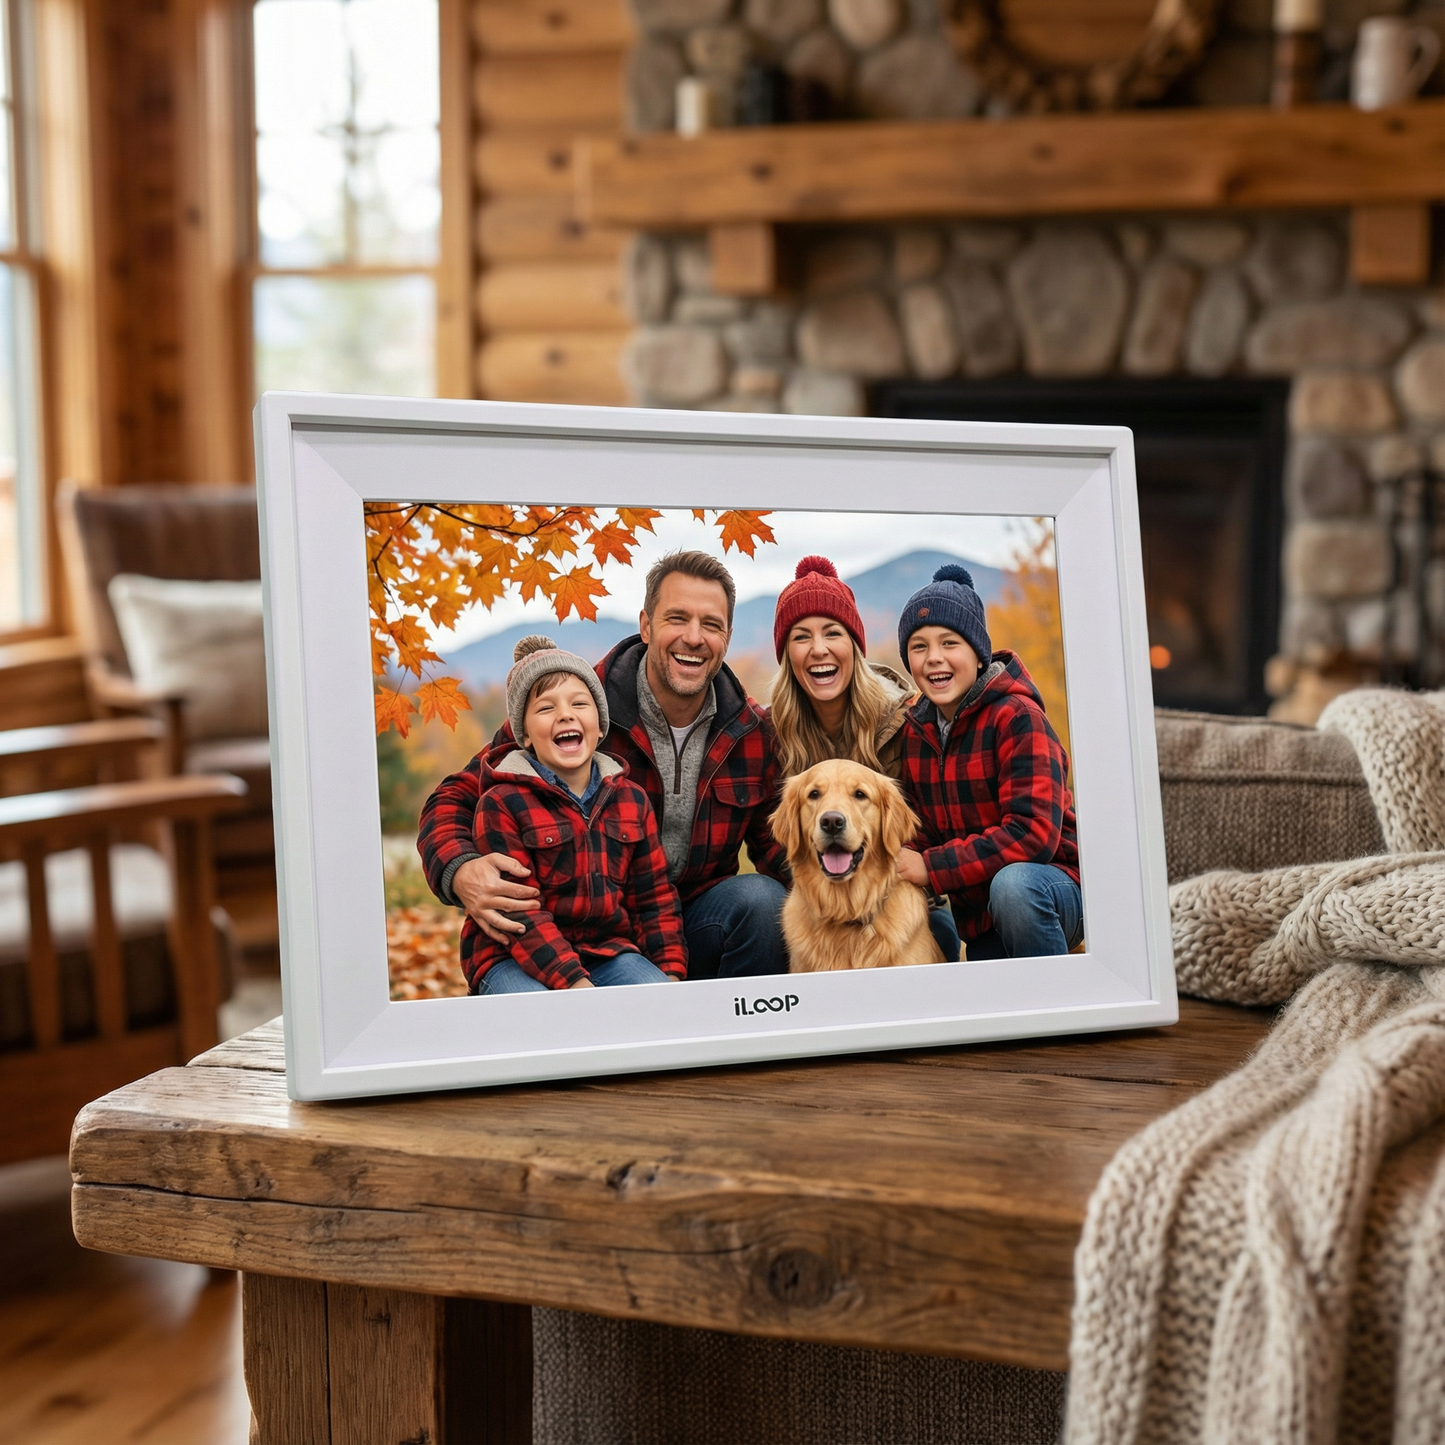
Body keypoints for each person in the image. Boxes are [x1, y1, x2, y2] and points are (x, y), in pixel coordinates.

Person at [419, 550, 790, 980]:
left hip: (686, 925)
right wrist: (460, 869)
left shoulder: (750, 732)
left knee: (764, 901)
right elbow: (454, 798)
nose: (693, 637)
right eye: (677, 618)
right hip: (569, 931)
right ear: (646, 626)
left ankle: (730, 1022)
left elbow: (782, 849)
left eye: (711, 624)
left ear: (727, 636)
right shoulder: (577, 707)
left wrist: (852, 892)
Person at [461, 635, 685, 995]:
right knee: (543, 1015)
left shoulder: (631, 799)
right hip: (512, 954)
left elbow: (653, 898)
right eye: (545, 708)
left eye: (580, 703)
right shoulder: (502, 803)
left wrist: (670, 974)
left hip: (606, 952)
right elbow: (520, 912)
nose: (565, 714)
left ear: (600, 725)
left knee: (654, 1000)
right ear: (525, 735)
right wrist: (574, 984)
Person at [768, 555, 960, 960]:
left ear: (854, 646)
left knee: (941, 935)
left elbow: (939, 822)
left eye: (833, 633)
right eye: (801, 637)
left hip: (906, 893)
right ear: (786, 654)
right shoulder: (770, 733)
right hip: (811, 903)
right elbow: (775, 842)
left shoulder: (910, 721)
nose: (819, 649)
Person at [893, 564, 1082, 960]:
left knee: (1014, 887)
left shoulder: (1018, 718)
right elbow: (920, 832)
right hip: (980, 918)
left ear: (979, 656)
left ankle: (1058, 994)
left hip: (1053, 888)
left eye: (949, 643)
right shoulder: (916, 733)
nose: (934, 658)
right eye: (919, 647)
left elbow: (1032, 834)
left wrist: (931, 867)